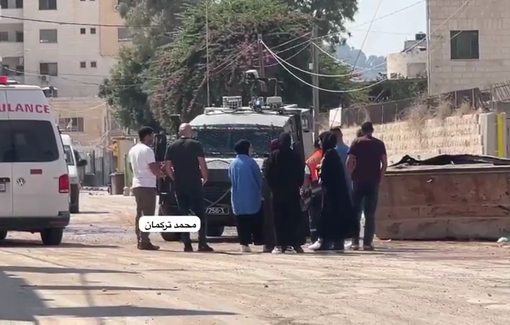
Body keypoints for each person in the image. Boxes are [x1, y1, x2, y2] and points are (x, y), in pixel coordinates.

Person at [165, 123, 213, 252]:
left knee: (183, 214)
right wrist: (205, 177)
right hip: (194, 183)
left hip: (180, 185)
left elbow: (167, 166)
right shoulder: (195, 145)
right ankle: (202, 243)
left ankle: (187, 243)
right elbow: (202, 164)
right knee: (200, 214)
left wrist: (174, 178)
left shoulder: (172, 146)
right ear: (189, 131)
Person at [309, 132, 357, 252]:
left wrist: (320, 170)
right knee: (335, 217)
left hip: (331, 194)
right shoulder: (331, 154)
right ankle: (336, 242)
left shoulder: (329, 155)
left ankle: (326, 241)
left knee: (329, 216)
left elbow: (326, 174)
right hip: (335, 193)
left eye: (320, 140)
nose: (319, 143)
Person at [346, 121, 388, 251]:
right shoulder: (379, 144)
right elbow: (384, 163)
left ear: (362, 130)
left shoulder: (356, 143)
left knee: (356, 212)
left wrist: (351, 175)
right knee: (370, 213)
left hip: (358, 181)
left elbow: (349, 162)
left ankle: (354, 242)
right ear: (372, 130)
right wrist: (379, 179)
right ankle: (368, 243)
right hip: (373, 181)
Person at [264, 133, 305, 254]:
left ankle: (279, 245)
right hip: (292, 192)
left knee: (278, 219)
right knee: (292, 219)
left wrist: (273, 187)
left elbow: (268, 174)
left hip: (277, 193)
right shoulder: (296, 156)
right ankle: (291, 244)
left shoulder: (273, 155)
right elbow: (300, 174)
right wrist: (297, 185)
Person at [128, 126, 165, 251]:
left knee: (140, 213)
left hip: (137, 184)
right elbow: (153, 169)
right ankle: (144, 240)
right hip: (147, 185)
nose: (153, 139)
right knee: (148, 214)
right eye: (152, 136)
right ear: (147, 136)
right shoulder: (148, 150)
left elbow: (131, 168)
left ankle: (140, 238)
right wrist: (163, 174)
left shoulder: (133, 150)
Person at [228, 139, 263, 253]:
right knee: (253, 219)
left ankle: (244, 243)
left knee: (241, 221)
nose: (252, 150)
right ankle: (258, 240)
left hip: (237, 196)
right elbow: (258, 178)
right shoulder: (251, 162)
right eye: (250, 147)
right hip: (251, 196)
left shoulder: (232, 163)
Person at [261, 139, 280, 253]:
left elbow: (265, 177)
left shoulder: (267, 160)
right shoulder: (284, 158)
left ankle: (269, 244)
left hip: (269, 193)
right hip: (282, 192)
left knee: (269, 219)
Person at [330, 126, 352, 197]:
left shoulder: (332, 152)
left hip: (337, 188)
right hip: (350, 185)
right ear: (341, 135)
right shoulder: (350, 150)